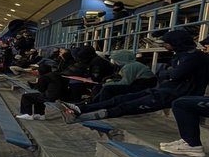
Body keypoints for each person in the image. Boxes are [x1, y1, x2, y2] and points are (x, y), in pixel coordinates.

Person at [59, 29, 209, 123]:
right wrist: (169, 73)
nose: (164, 45)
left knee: (125, 104)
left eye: (166, 43)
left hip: (174, 94)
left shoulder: (194, 56)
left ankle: (81, 115)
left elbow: (174, 74)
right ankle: (80, 110)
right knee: (119, 99)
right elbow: (168, 75)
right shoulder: (182, 56)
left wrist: (168, 73)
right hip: (164, 90)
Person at [93, 49, 157, 102]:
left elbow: (125, 83)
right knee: (105, 87)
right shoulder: (134, 64)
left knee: (107, 89)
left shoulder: (129, 67)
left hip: (142, 86)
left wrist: (108, 83)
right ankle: (95, 103)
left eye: (116, 60)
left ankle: (101, 105)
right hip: (144, 84)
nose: (115, 62)